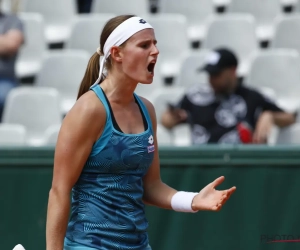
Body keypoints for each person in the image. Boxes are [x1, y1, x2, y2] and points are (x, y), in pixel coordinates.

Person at [46, 15, 236, 250]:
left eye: (155, 43)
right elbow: (59, 190)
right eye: (145, 45)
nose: (155, 51)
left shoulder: (147, 110)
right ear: (117, 54)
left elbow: (151, 186)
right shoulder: (88, 109)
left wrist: (193, 200)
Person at [161, 48, 296, 144]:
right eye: (209, 75)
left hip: (240, 167)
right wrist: (172, 118)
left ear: (233, 71)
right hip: (202, 166)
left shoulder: (251, 97)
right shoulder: (195, 96)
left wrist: (270, 116)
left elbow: (290, 118)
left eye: (216, 75)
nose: (211, 80)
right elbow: (166, 120)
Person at [0, 6, 24, 121]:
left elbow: (11, 45)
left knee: (3, 97)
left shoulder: (13, 20)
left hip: (4, 80)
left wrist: (6, 43)